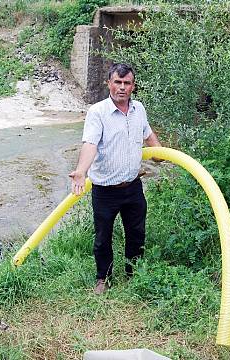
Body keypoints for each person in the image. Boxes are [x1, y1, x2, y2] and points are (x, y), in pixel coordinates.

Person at [69, 63, 162, 295]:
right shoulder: (97, 112)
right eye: (117, 82)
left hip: (133, 187)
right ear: (109, 83)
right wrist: (81, 171)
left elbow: (148, 132)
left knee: (137, 233)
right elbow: (90, 144)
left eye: (127, 83)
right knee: (102, 237)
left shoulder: (138, 108)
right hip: (105, 190)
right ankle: (103, 279)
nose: (122, 87)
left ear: (133, 86)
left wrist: (159, 152)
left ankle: (134, 273)